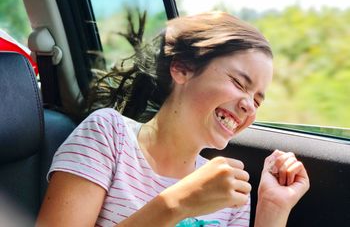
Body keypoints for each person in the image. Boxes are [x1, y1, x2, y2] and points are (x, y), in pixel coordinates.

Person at [36, 12, 309, 227]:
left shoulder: (229, 188)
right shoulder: (109, 135)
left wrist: (272, 210)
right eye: (239, 83)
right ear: (182, 68)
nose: (249, 105)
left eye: (258, 101)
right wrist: (176, 204)